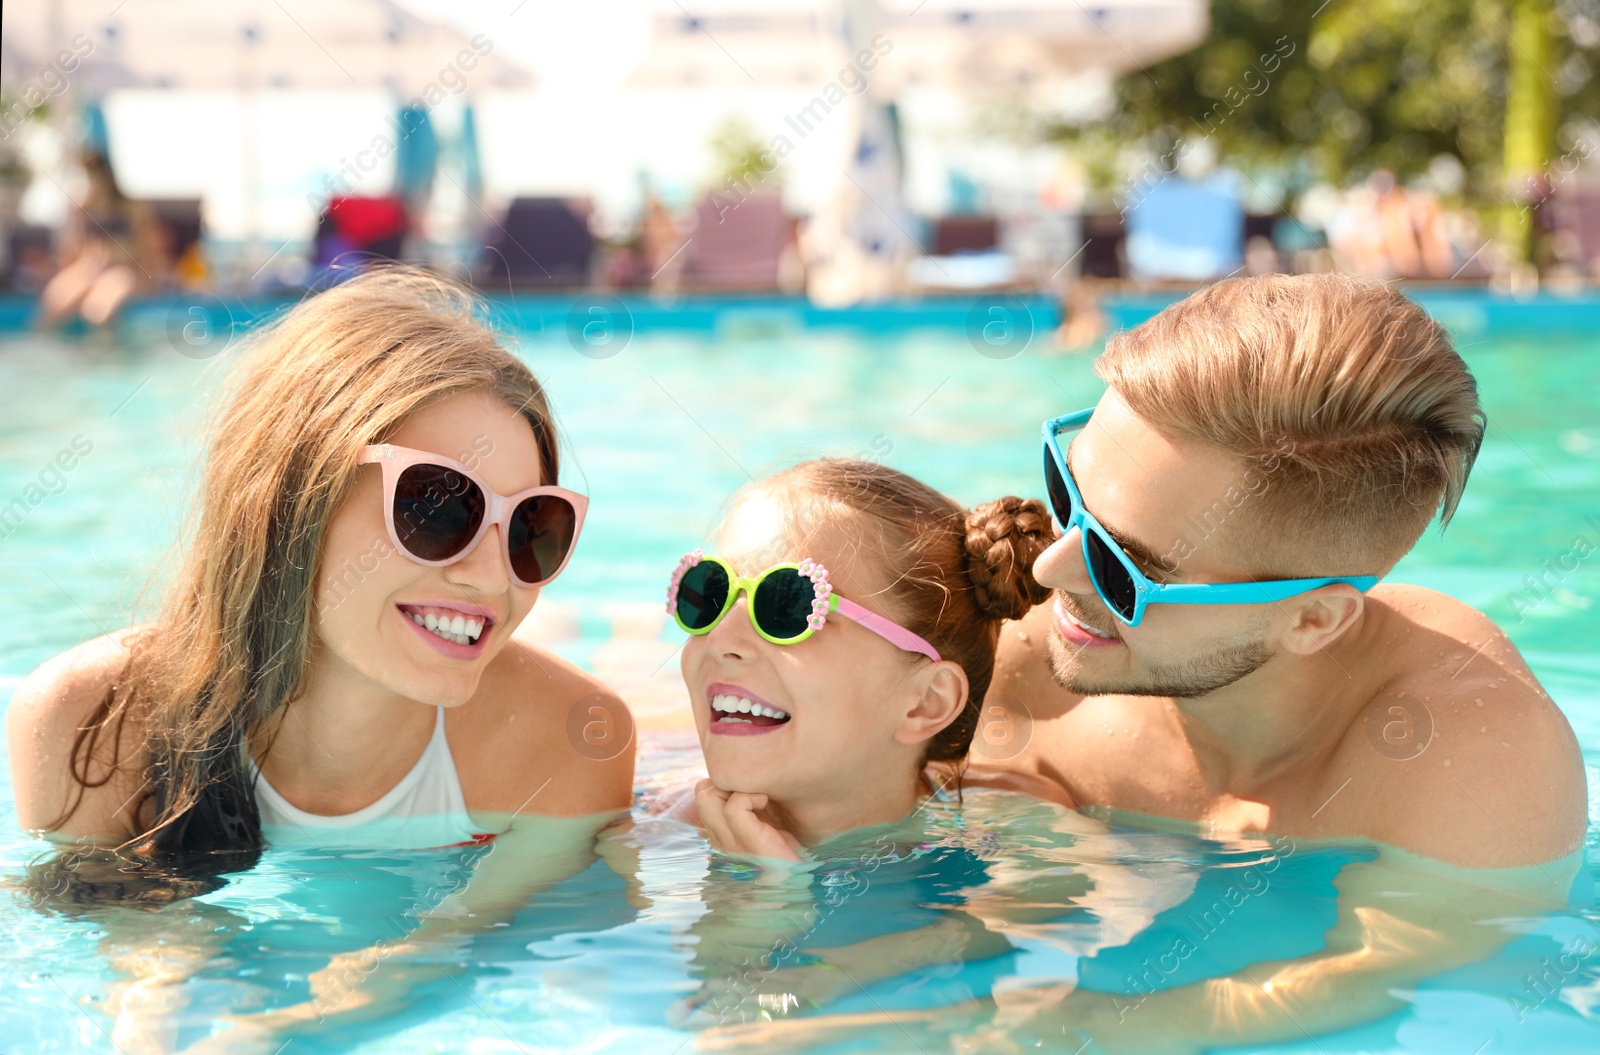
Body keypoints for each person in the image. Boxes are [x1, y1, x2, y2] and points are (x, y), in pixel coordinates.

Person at [693, 273, 1589, 1053]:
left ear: (1314, 617)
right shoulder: (1030, 649)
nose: (1049, 569)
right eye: (1064, 490)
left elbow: (1370, 976)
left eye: (1124, 568)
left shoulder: (1468, 760)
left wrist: (1102, 1023)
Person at [9, 267, 633, 866]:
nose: (493, 576)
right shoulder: (91, 725)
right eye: (438, 508)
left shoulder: (570, 742)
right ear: (288, 499)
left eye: (531, 527)